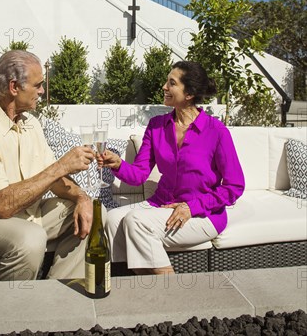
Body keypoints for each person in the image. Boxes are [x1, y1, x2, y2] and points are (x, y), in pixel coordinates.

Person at [0, 50, 95, 281]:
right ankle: (13, 314)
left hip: (28, 215)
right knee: (29, 238)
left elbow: (55, 179)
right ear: (14, 87)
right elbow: (2, 206)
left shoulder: (30, 123)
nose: (42, 91)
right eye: (38, 85)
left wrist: (83, 198)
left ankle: (60, 296)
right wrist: (62, 166)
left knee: (91, 216)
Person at [99, 60, 245, 275]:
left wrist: (191, 207)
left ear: (189, 94)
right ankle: (129, 285)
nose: (164, 87)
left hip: (202, 215)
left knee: (136, 220)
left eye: (172, 83)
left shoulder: (217, 131)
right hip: (161, 205)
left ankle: (171, 292)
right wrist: (118, 164)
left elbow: (234, 186)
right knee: (111, 219)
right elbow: (139, 175)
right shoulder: (157, 126)